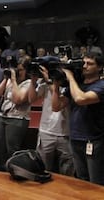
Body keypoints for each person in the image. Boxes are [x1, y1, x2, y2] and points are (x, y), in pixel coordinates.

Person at [51, 52, 104, 185]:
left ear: (99, 67)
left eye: (90, 64)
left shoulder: (101, 85)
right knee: (82, 180)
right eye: (84, 63)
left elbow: (81, 99)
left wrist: (70, 77)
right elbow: (56, 106)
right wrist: (56, 86)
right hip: (75, 138)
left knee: (96, 181)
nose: (85, 66)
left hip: (94, 140)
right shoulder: (76, 86)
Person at [28, 65, 74, 176]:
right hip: (46, 132)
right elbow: (31, 99)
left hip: (65, 134)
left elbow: (56, 106)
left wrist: (52, 84)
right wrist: (33, 81)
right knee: (43, 169)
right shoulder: (45, 85)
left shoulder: (70, 88)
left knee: (67, 171)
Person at [0, 55, 32, 171]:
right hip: (3, 116)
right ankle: (2, 172)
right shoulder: (10, 81)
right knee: (0, 147)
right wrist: (6, 78)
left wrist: (14, 80)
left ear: (27, 70)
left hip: (17, 119)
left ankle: (14, 172)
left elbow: (18, 99)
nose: (18, 72)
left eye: (21, 70)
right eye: (17, 69)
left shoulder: (29, 83)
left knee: (12, 150)